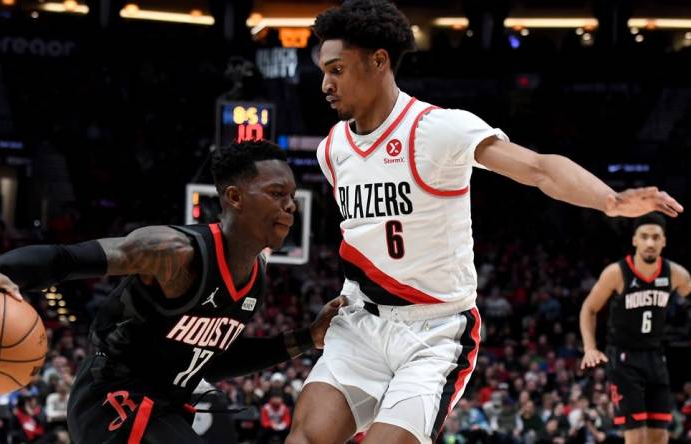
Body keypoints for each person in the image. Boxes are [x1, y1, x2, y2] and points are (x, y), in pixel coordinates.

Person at [286, 1, 684, 444]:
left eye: (337, 69)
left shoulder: (437, 129)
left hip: (433, 331)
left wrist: (610, 200)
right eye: (323, 71)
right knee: (304, 437)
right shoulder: (332, 149)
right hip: (359, 323)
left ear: (379, 61)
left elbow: (537, 168)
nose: (325, 84)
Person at [0, 140, 345, 443]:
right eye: (277, 193)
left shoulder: (255, 274)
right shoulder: (175, 252)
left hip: (165, 405)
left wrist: (306, 338)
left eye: (292, 196)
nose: (291, 205)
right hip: (111, 396)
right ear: (234, 198)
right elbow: (69, 259)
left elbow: (209, 360)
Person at [580, 213, 690, 444]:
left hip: (655, 357)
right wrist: (590, 348)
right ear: (635, 240)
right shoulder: (617, 273)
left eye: (655, 237)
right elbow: (589, 308)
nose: (650, 242)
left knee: (660, 436)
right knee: (636, 437)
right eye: (644, 236)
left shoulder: (677, 275)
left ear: (664, 241)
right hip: (623, 358)